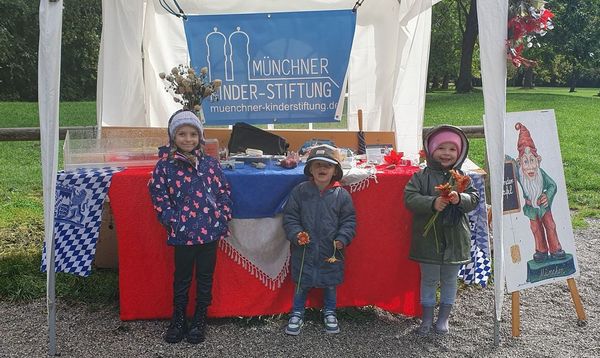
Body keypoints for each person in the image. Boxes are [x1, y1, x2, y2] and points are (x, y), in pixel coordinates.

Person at [148, 110, 232, 344]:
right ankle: (178, 318)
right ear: (173, 136)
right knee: (182, 277)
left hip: (209, 232)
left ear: (200, 136)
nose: (188, 139)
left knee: (205, 276)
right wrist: (170, 218)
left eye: (193, 134)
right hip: (183, 233)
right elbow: (158, 195)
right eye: (182, 134)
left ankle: (200, 318)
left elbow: (223, 190)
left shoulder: (210, 164)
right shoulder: (165, 166)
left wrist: (222, 214)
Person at [404, 125, 480, 335]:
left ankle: (443, 319)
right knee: (428, 279)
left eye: (452, 149)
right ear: (431, 150)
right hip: (428, 238)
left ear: (460, 152)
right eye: (441, 148)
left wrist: (460, 198)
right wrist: (432, 203)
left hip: (455, 239)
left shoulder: (462, 177)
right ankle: (426, 319)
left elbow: (474, 199)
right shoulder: (421, 177)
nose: (446, 153)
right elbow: (409, 198)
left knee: (449, 279)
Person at [282, 145, 356, 335]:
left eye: (327, 166)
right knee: (301, 283)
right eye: (318, 165)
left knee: (330, 284)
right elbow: (290, 217)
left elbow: (349, 221)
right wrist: (296, 234)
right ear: (311, 169)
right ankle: (297, 313)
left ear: (335, 171)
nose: (322, 169)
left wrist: (342, 238)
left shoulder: (342, 195)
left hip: (330, 251)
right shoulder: (300, 191)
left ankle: (330, 312)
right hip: (304, 250)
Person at [512, 122, 565, 262]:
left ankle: (556, 249)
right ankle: (541, 251)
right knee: (535, 228)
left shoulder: (541, 174)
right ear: (520, 163)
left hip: (543, 205)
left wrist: (547, 196)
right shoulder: (519, 174)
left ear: (538, 160)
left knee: (550, 225)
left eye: (532, 160)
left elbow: (553, 185)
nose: (530, 166)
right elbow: (508, 162)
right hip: (531, 207)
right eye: (525, 161)